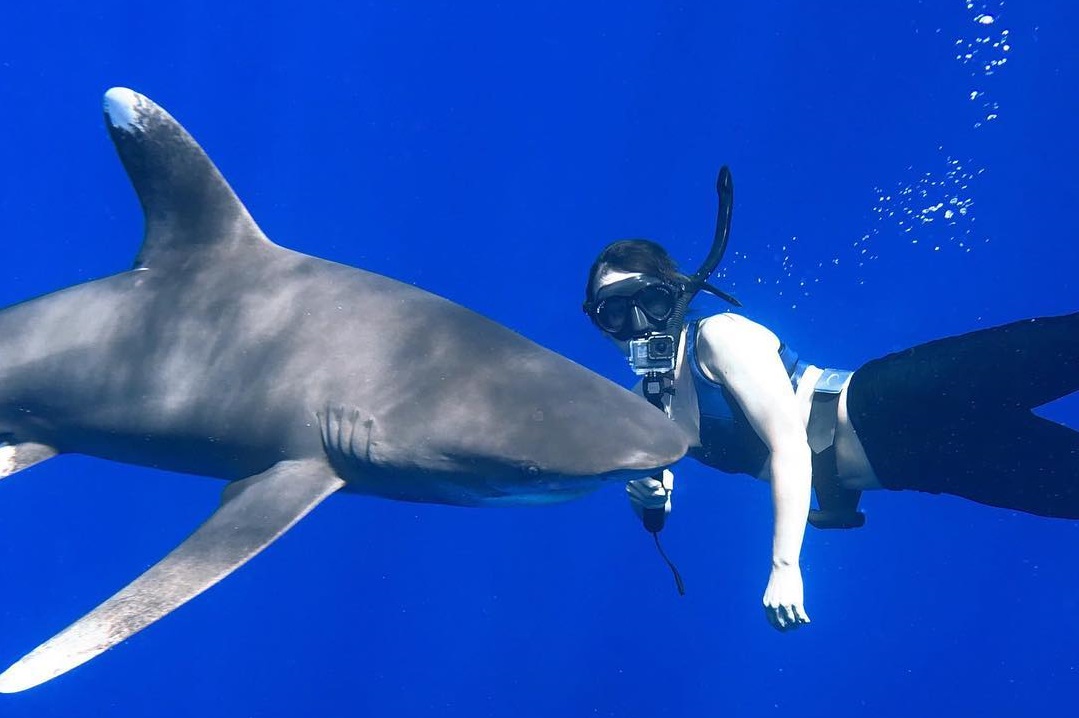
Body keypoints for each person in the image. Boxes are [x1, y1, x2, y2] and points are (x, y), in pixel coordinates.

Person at [583, 237, 1079, 632]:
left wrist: (784, 566)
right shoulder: (647, 402)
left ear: (675, 293)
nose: (637, 322)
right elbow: (659, 494)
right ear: (599, 323)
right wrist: (651, 497)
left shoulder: (719, 336)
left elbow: (790, 445)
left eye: (648, 297)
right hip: (920, 464)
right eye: (614, 311)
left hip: (897, 400)